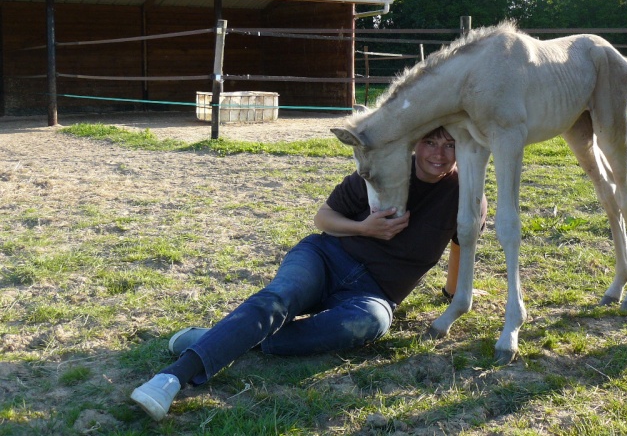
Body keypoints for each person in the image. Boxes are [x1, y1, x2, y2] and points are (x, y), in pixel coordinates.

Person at [130, 126, 486, 421]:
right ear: (415, 141)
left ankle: (219, 337)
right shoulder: (381, 168)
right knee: (278, 299)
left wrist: (453, 294)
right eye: (430, 142)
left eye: (450, 144)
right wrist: (365, 228)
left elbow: (461, 244)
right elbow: (323, 219)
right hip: (325, 257)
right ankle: (171, 378)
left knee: (373, 323)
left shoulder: (466, 193)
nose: (439, 154)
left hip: (373, 294)